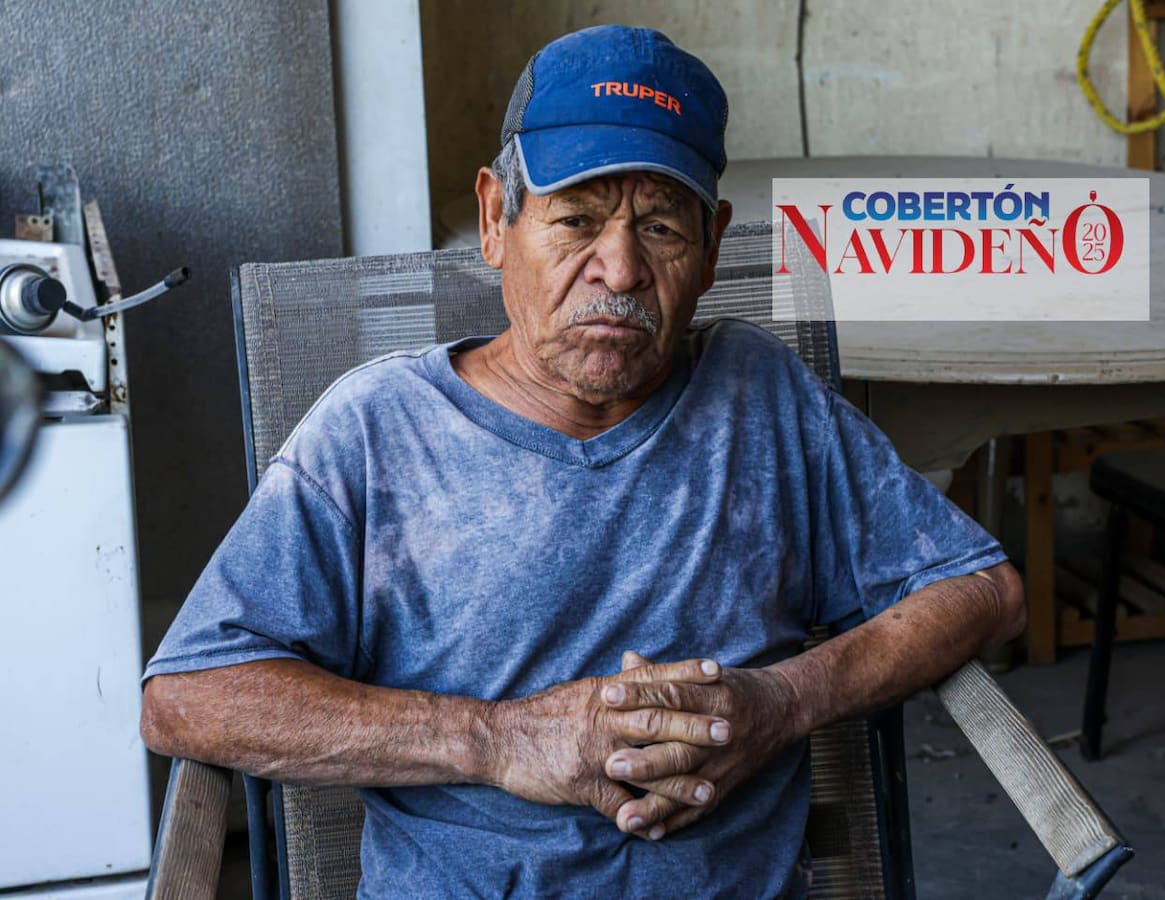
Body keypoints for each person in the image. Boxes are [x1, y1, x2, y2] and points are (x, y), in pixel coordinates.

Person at [140, 25, 1025, 898]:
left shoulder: (762, 398)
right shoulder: (377, 431)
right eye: (577, 219)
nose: (621, 267)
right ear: (497, 220)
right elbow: (190, 696)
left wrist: (783, 703)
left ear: (712, 248)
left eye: (661, 227)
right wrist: (495, 740)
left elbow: (980, 589)